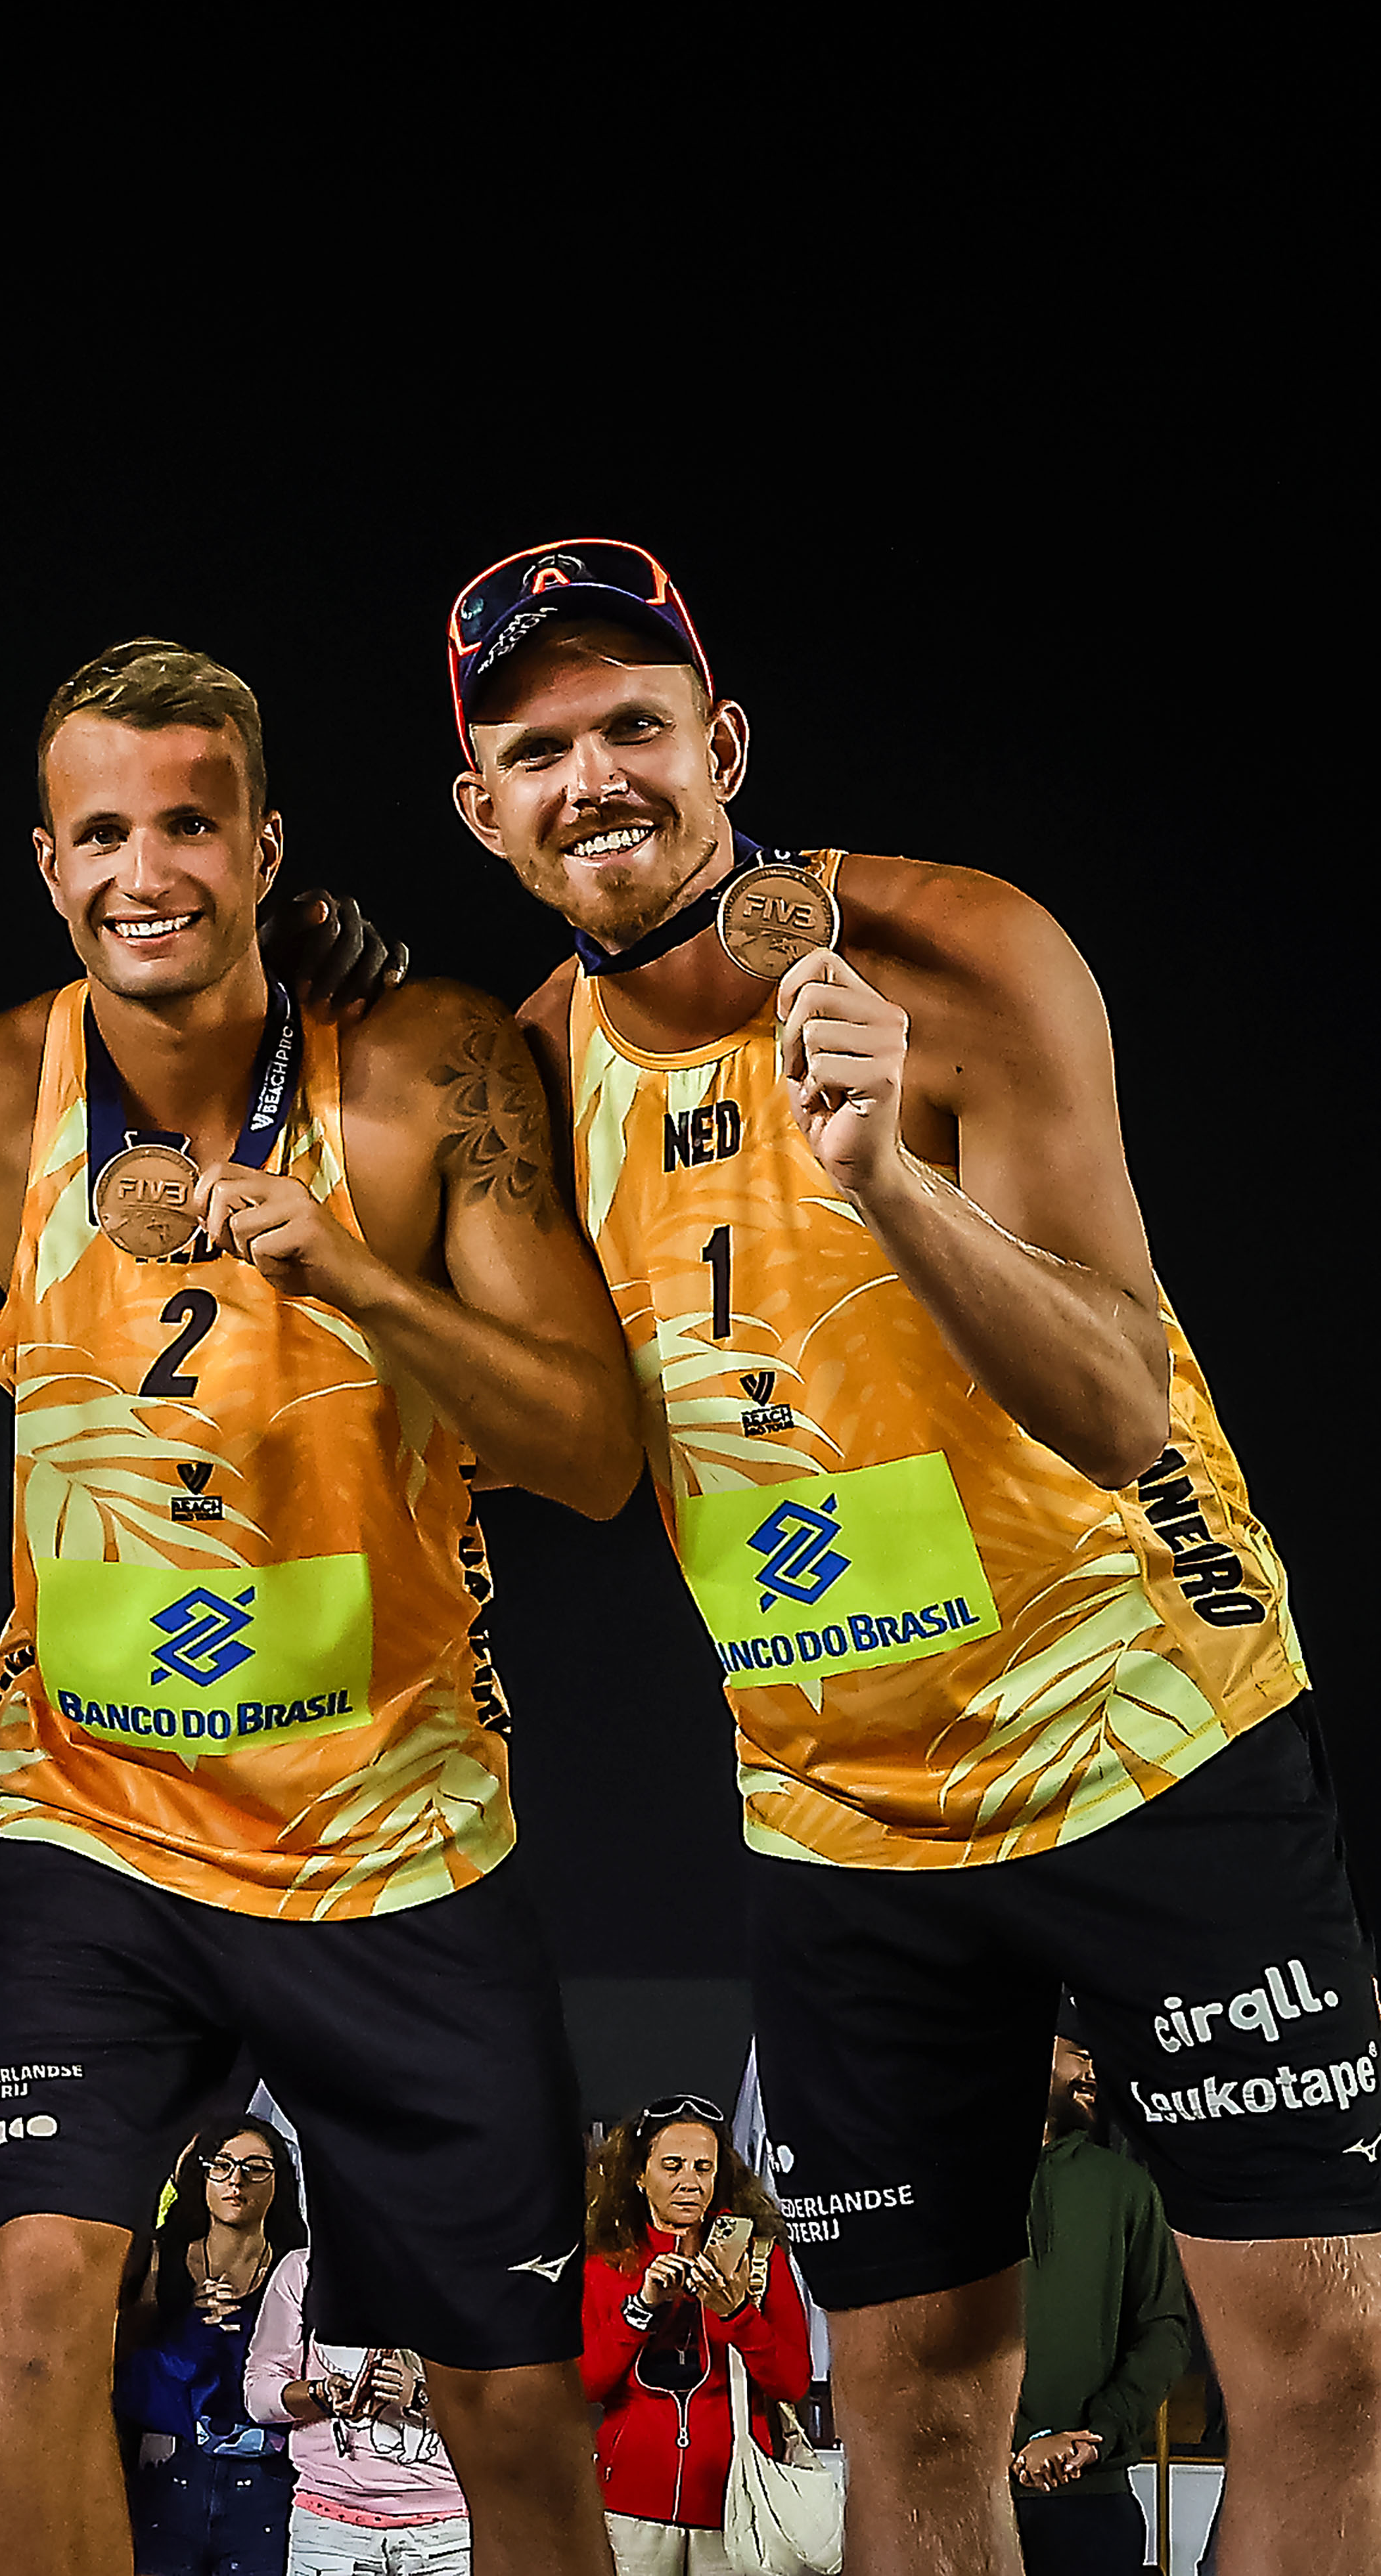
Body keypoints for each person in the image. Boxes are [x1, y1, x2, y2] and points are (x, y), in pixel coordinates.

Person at [457, 535, 1381, 2575]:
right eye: (534, 746)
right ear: (482, 809)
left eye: (631, 722)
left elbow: (1118, 1398)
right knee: (905, 2397)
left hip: (1147, 1718)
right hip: (838, 1806)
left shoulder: (954, 951)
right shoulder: (520, 1076)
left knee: (1319, 2365)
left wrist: (876, 1172)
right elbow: (568, 1453)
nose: (589, 772)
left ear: (721, 742)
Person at [0, 638, 635, 2576]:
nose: (146, 869)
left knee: (509, 2395)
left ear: (260, 842)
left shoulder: (430, 1065)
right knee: (36, 2291)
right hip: (92, 1821)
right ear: (45, 865)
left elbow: (589, 1453)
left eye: (186, 822)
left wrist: (349, 1275)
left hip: (388, 1833)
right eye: (100, 829)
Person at [573, 2100, 811, 2575]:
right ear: (639, 2176)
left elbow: (792, 2384)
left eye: (703, 2167)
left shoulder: (759, 2263)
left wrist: (738, 2312)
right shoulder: (606, 2266)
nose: (689, 2180)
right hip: (629, 2508)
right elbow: (584, 2386)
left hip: (735, 2507)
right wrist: (640, 2308)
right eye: (672, 2166)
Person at [1015, 2028, 1197, 2575]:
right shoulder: (949, 2182)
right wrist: (1016, 2448)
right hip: (965, 2498)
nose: (1095, 2072)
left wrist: (1096, 2435)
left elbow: (1163, 2330)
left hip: (1092, 2500)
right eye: (1079, 2054)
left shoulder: (1126, 2188)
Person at [116, 2121, 302, 2576]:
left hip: (266, 2480)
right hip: (167, 2471)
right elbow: (120, 2372)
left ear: (280, 2180)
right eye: (221, 2166)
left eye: (255, 2168)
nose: (236, 2181)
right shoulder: (160, 2258)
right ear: (200, 2176)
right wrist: (191, 2328)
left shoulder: (297, 2268)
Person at [246, 2230, 470, 2576]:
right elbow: (258, 2395)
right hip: (329, 2527)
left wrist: (419, 2395)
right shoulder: (304, 2270)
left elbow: (499, 2405)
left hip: (443, 2532)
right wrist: (320, 2394)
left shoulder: (462, 2269)